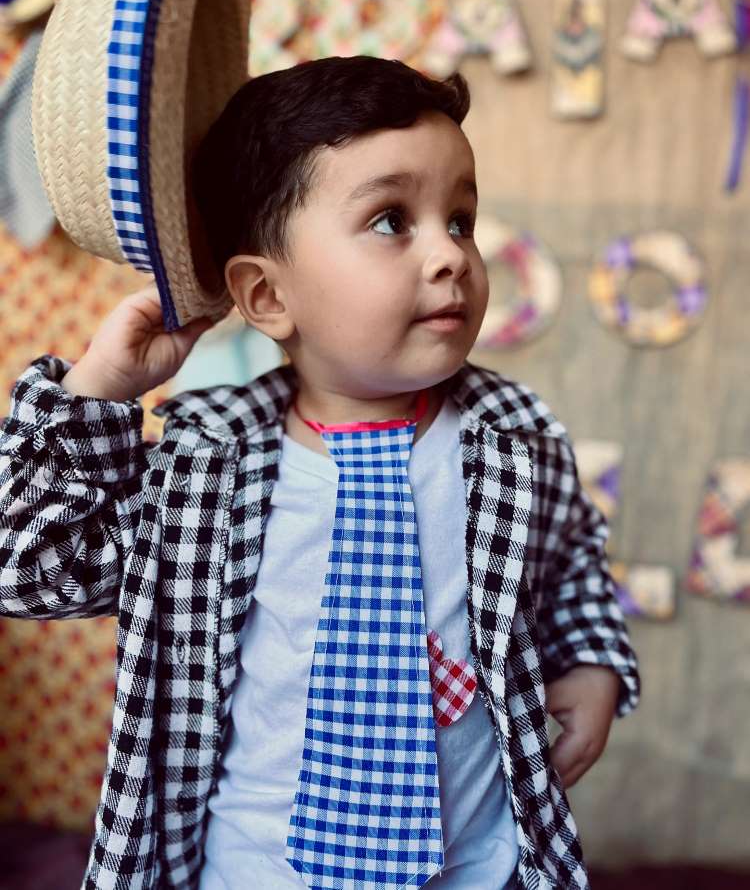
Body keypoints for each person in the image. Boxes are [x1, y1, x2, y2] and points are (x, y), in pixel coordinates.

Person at [0, 55, 640, 889]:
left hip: (479, 866)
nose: (450, 255)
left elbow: (572, 566)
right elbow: (28, 571)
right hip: (251, 869)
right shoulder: (204, 470)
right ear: (266, 298)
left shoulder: (512, 438)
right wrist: (97, 391)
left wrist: (592, 661)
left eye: (461, 219)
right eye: (389, 221)